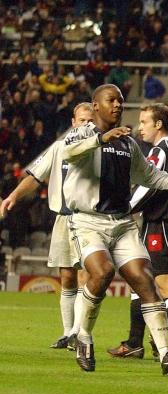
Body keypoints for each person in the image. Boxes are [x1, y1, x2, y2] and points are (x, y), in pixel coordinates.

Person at [60, 84, 168, 374]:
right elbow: (68, 153)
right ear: (95, 105)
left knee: (144, 280)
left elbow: (150, 176)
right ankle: (83, 335)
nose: (117, 104)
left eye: (120, 100)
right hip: (88, 221)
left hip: (122, 223)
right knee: (102, 272)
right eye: (111, 100)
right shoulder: (82, 133)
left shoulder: (128, 144)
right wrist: (101, 138)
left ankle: (166, 354)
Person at [0, 103, 94, 350]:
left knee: (85, 275)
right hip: (63, 218)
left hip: (89, 219)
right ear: (73, 122)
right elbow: (35, 177)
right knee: (67, 275)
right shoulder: (59, 147)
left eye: (90, 121)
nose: (86, 125)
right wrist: (13, 196)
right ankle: (67, 332)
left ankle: (78, 333)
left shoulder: (100, 148)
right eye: (82, 120)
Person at [107, 103, 168, 359]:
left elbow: (148, 185)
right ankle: (135, 341)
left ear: (158, 124)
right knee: (140, 282)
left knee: (167, 287)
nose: (140, 127)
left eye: (144, 122)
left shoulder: (161, 150)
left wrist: (124, 209)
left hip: (161, 223)